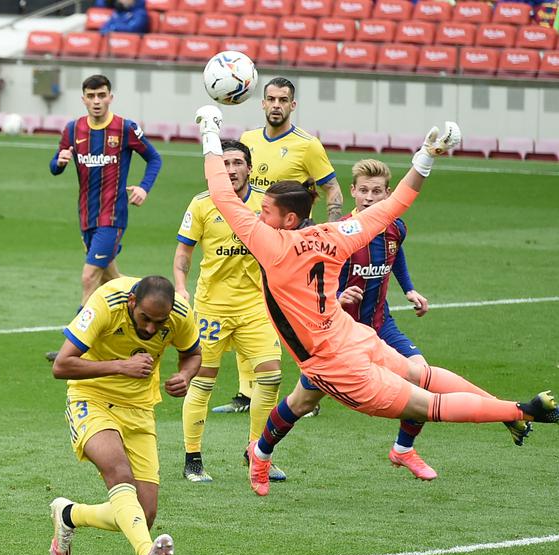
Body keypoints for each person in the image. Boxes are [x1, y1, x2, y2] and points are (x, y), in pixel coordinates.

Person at [192, 105, 556, 497]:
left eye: (265, 211)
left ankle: (519, 410)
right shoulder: (334, 234)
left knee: (424, 402)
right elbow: (392, 206)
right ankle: (260, 454)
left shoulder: (268, 243)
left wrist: (210, 133)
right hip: (345, 333)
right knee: (379, 387)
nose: (257, 216)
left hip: (334, 360)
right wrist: (426, 156)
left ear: (289, 221)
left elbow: (220, 193)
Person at [263, 159, 444, 481]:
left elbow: (395, 255)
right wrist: (337, 298)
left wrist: (410, 289)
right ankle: (261, 451)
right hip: (338, 336)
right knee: (301, 402)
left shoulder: (395, 226)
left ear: (388, 193)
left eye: (377, 191)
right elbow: (312, 286)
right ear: (353, 192)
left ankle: (403, 449)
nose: (370, 197)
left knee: (422, 376)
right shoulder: (338, 234)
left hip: (380, 324)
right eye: (363, 191)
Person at [48, 275, 199, 555]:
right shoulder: (106, 302)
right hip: (91, 398)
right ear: (132, 301)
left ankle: (69, 514)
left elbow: (192, 354)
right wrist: (120, 366)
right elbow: (61, 365)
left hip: (140, 409)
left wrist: (185, 375)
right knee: (119, 473)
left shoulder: (180, 314)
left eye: (159, 323)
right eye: (145, 318)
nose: (150, 329)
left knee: (143, 514)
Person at [214, 77, 345, 416]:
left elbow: (333, 190)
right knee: (252, 310)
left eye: (282, 100)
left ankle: (312, 387)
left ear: (293, 105)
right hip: (255, 238)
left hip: (292, 245)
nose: (275, 105)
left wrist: (323, 231)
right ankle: (247, 393)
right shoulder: (248, 140)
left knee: (296, 317)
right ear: (262, 103)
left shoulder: (307, 145)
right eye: (270, 99)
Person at [172, 140, 285, 484]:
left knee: (271, 376)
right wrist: (180, 285)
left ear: (250, 168)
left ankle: (257, 453)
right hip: (211, 309)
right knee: (202, 382)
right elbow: (183, 253)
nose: (231, 170)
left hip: (254, 307)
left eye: (237, 163)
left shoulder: (265, 204)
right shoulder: (202, 203)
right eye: (224, 164)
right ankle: (193, 459)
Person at [46, 74, 163, 361]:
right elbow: (54, 165)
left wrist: (144, 188)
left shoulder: (124, 128)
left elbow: (154, 158)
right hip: (86, 216)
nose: (97, 101)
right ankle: (158, 304)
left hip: (113, 216)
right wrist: (59, 162)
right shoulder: (73, 130)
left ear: (111, 96)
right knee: (113, 281)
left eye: (102, 95)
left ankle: (73, 347)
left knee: (89, 277)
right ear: (83, 98)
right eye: (91, 96)